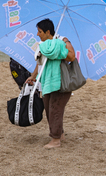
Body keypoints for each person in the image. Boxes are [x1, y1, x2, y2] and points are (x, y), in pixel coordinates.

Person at [26, 18, 75, 149]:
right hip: (46, 81)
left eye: (40, 31)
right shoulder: (43, 45)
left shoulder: (61, 41)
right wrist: (33, 75)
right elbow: (40, 62)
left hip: (59, 82)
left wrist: (55, 50)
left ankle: (56, 140)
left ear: (48, 32)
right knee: (48, 108)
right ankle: (60, 133)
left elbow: (71, 57)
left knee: (55, 109)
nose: (37, 34)